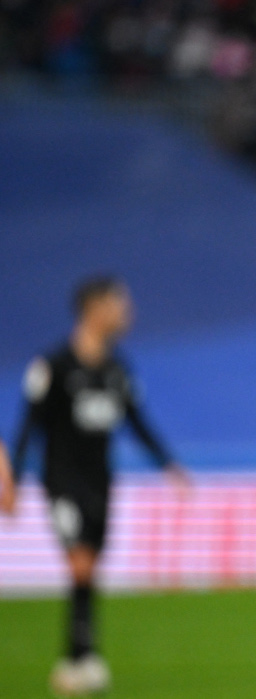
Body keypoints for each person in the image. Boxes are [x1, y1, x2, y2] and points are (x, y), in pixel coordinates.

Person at [8, 275, 188, 696]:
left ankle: (83, 657)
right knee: (81, 564)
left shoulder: (116, 371)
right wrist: (13, 480)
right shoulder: (53, 366)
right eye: (120, 304)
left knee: (89, 571)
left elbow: (137, 422)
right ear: (95, 308)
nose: (128, 312)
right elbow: (29, 425)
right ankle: (76, 661)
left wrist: (168, 465)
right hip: (62, 484)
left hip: (100, 485)